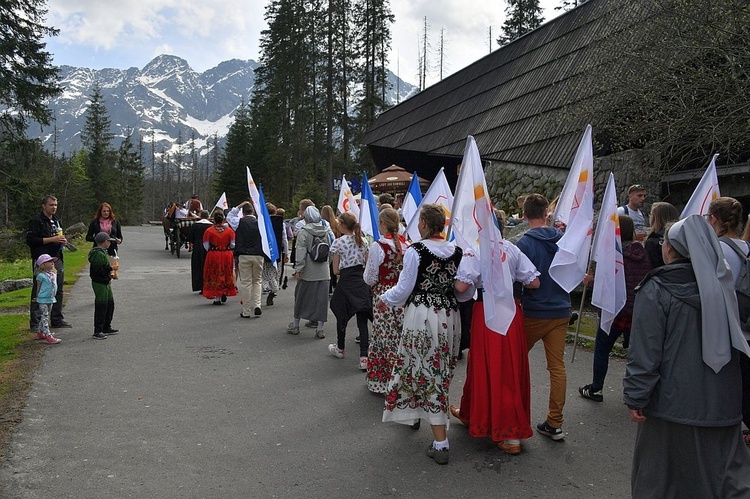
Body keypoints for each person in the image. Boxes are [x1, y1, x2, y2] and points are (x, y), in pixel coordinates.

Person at [624, 215, 750, 497]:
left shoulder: (656, 289)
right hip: (723, 401)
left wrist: (636, 395)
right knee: (724, 480)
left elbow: (645, 351)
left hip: (671, 406)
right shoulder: (725, 286)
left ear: (670, 249)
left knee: (661, 481)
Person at [376, 204, 463, 465]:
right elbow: (464, 292)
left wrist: (383, 298)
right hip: (449, 316)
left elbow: (403, 289)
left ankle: (441, 442)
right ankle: (413, 414)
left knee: (426, 370)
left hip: (423, 315)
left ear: (424, 223)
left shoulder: (417, 251)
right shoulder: (457, 251)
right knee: (430, 370)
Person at [450, 218, 540, 455]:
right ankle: (472, 412)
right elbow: (534, 281)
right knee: (508, 367)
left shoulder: (474, 250)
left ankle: (508, 433)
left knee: (486, 366)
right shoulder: (511, 248)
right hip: (511, 311)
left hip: (487, 312)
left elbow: (460, 287)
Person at [578, 215, 651, 402]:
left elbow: (607, 284)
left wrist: (590, 281)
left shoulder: (613, 255)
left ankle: (596, 388)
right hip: (636, 310)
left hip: (614, 312)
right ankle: (638, 391)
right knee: (637, 354)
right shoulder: (643, 254)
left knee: (602, 349)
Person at [516, 193, 571, 441]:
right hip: (560, 309)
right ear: (546, 214)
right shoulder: (564, 239)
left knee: (515, 363)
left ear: (525, 215)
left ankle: (514, 417)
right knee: (557, 367)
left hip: (534, 311)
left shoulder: (524, 244)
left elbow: (521, 279)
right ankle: (555, 421)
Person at [705, 197, 750, 446]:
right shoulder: (747, 247)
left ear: (714, 219)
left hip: (727, 330)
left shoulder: (716, 250)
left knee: (727, 387)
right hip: (748, 326)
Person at [364, 208, 407, 393]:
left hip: (384, 298)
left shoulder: (378, 246)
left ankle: (385, 383)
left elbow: (370, 278)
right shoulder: (407, 245)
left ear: (383, 224)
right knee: (401, 339)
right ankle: (402, 380)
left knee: (384, 339)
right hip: (403, 297)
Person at [327, 212, 371, 370]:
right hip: (361, 281)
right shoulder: (364, 241)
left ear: (342, 225)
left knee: (341, 314)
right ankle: (364, 357)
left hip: (346, 282)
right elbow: (367, 264)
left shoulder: (338, 243)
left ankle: (340, 348)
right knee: (362, 320)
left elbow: (336, 270)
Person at [286, 206, 331, 338]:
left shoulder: (304, 233)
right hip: (323, 270)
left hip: (308, 271)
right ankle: (320, 328)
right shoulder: (326, 231)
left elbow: (301, 253)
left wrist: (298, 269)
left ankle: (295, 325)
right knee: (321, 300)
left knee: (301, 297)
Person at [26, 195, 70, 330]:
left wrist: (63, 241)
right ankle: (36, 322)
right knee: (40, 289)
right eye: (51, 205)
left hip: (56, 258)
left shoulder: (56, 220)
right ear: (44, 206)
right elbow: (31, 241)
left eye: (56, 205)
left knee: (58, 288)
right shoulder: (36, 221)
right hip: (42, 260)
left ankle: (56, 319)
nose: (54, 207)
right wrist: (52, 239)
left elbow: (59, 237)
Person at [235, 204, 265, 317]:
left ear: (243, 213)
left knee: (246, 283)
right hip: (258, 253)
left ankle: (246, 310)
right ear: (253, 212)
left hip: (244, 254)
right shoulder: (260, 223)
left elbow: (229, 217)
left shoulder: (240, 223)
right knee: (257, 281)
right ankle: (257, 304)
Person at [202, 211, 237, 305]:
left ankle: (217, 297)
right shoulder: (229, 231)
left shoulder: (209, 231)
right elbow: (233, 244)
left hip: (214, 254)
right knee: (226, 273)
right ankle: (224, 291)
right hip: (226, 253)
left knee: (215, 273)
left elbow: (205, 245)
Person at [88, 232, 118, 340]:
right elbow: (98, 270)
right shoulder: (98, 254)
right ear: (105, 242)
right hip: (99, 282)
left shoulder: (103, 252)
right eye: (109, 241)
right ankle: (98, 330)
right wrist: (111, 269)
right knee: (101, 305)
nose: (110, 243)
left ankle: (106, 326)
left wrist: (109, 276)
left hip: (105, 281)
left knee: (110, 304)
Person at [32, 254, 62, 344]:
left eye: (52, 261)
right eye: (49, 262)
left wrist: (55, 272)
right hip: (43, 299)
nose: (52, 263)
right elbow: (38, 287)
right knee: (45, 317)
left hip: (51, 298)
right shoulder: (41, 276)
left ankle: (40, 332)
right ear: (43, 265)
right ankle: (48, 335)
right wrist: (37, 297)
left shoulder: (53, 274)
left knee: (46, 315)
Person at [262, 202, 287, 306]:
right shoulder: (281, 223)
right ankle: (273, 289)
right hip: (277, 251)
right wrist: (286, 252)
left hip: (265, 251)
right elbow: (284, 239)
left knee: (265, 272)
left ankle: (269, 287)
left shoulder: (262, 222)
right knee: (275, 271)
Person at [643, 201, 679, 269]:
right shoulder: (680, 237)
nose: (649, 217)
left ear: (656, 218)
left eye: (651, 214)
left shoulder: (652, 242)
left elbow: (652, 268)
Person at [188, 210, 212, 293]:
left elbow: (190, 238)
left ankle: (200, 286)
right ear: (208, 216)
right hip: (209, 248)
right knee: (209, 267)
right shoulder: (211, 226)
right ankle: (209, 285)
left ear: (200, 216)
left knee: (198, 267)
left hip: (198, 248)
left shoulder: (195, 225)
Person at [320, 205, 340, 295]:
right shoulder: (336, 222)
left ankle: (328, 288)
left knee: (327, 268)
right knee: (334, 269)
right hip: (336, 246)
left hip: (327, 247)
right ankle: (334, 285)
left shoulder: (322, 223)